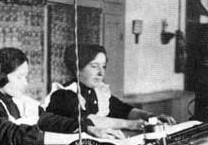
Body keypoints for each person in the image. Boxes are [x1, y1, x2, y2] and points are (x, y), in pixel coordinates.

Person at [38, 44, 175, 139]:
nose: (101, 73)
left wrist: (150, 117)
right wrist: (132, 124)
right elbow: (88, 119)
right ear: (77, 68)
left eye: (103, 67)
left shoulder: (98, 92)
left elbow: (123, 109)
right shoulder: (64, 94)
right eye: (94, 66)